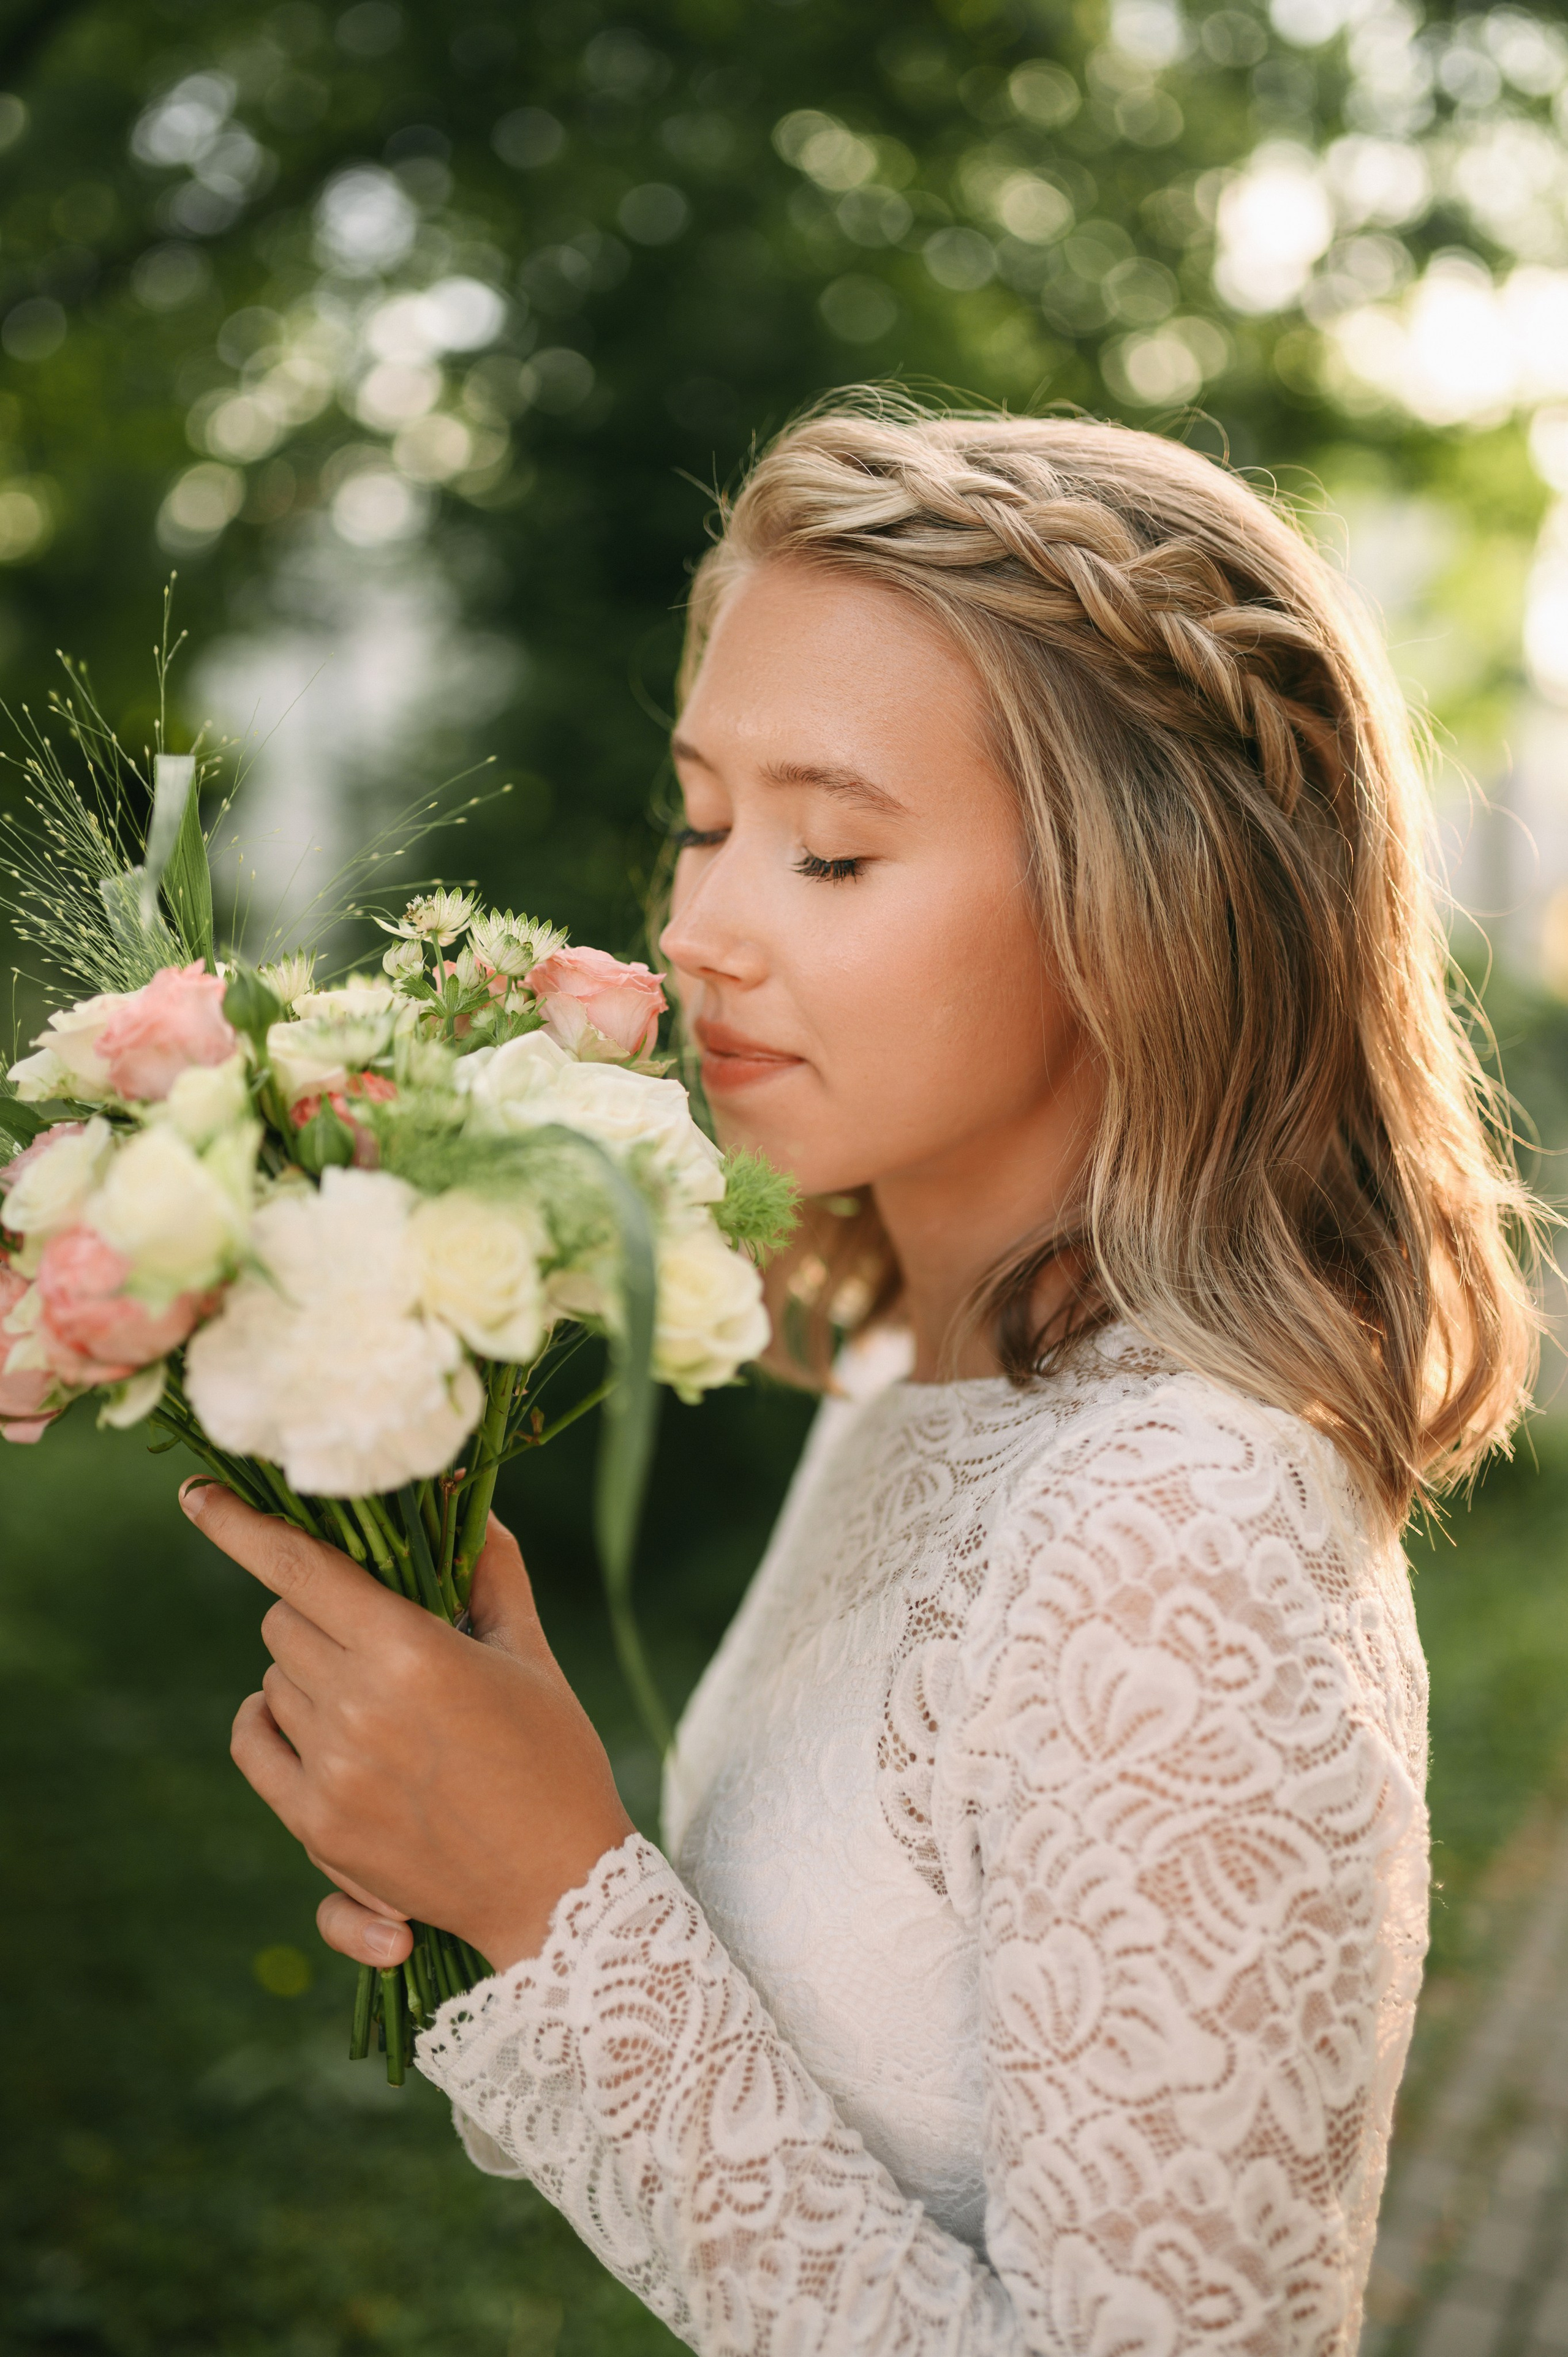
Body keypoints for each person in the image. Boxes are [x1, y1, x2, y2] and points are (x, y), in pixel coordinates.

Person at [186, 402, 1539, 2355]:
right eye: (709, 818)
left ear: (1142, 909)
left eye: (829, 850)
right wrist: (488, 1872)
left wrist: (560, 1906)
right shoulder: (922, 1376)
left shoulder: (1184, 1520)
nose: (697, 927)